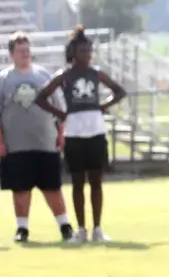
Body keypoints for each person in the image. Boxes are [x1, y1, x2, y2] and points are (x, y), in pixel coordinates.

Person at [35, 25, 126, 243]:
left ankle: (97, 229)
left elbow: (119, 91)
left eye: (89, 51)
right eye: (83, 51)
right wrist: (60, 113)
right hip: (74, 132)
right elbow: (41, 97)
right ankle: (81, 229)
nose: (87, 55)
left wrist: (102, 106)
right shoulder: (65, 75)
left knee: (96, 181)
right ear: (73, 53)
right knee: (77, 182)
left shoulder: (96, 73)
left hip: (95, 130)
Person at [0, 31, 74, 243]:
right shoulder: (4, 80)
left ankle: (65, 225)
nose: (25, 54)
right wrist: (1, 141)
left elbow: (59, 108)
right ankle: (22, 228)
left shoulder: (43, 75)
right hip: (16, 144)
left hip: (45, 141)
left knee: (52, 186)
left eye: (27, 50)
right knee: (20, 188)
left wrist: (61, 133)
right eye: (20, 51)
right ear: (12, 54)